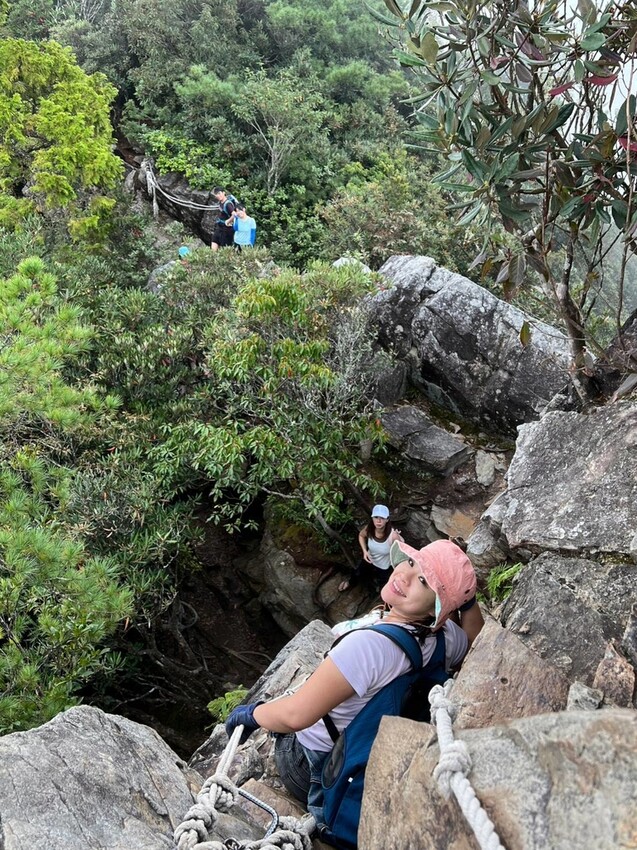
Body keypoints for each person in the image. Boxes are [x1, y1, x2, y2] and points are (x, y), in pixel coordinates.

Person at [225, 538, 483, 830]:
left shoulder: (368, 647)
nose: (405, 576)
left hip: (312, 767)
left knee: (283, 731)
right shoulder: (444, 637)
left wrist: (253, 713)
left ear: (436, 607)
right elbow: (475, 640)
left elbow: (296, 716)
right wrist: (468, 601)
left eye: (423, 581)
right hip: (365, 749)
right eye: (411, 562)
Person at [338, 504, 403, 593]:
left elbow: (402, 550)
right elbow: (361, 536)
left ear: (387, 519)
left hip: (384, 566)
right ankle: (350, 582)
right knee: (358, 573)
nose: (379, 521)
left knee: (383, 585)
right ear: (372, 518)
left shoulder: (392, 536)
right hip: (369, 559)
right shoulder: (369, 529)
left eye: (382, 518)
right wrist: (364, 551)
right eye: (376, 517)